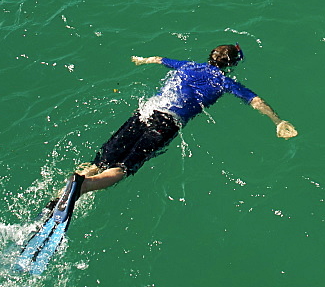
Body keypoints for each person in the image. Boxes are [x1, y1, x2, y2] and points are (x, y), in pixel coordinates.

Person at [74, 45, 297, 195]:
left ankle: (78, 181)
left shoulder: (188, 65)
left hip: (146, 112)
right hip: (166, 123)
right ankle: (85, 186)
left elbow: (160, 59)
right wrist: (277, 121)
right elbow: (255, 101)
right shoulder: (224, 82)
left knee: (100, 162)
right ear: (231, 65)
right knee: (123, 168)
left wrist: (141, 61)